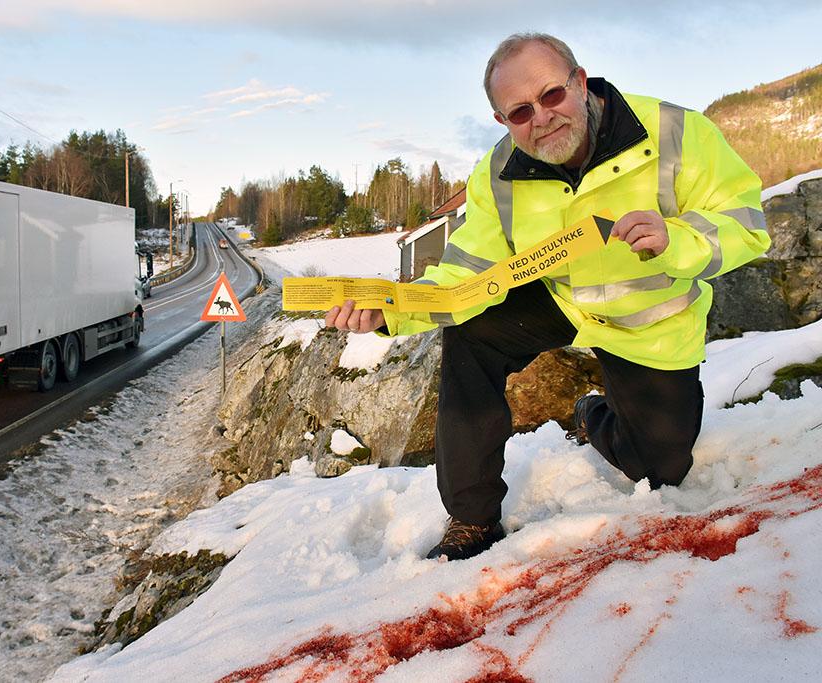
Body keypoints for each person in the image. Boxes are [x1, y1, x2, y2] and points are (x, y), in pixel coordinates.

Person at [325, 33, 771, 561]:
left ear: (580, 83)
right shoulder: (498, 174)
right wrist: (388, 310)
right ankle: (472, 516)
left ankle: (591, 415)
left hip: (649, 324)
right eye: (519, 111)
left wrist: (679, 241)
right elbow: (463, 276)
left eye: (552, 95)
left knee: (663, 469)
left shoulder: (676, 132)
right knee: (470, 331)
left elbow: (746, 226)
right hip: (561, 299)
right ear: (502, 121)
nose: (541, 117)